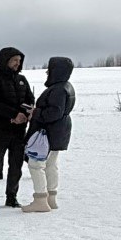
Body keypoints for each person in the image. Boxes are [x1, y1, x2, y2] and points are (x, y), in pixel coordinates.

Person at [0, 47, 35, 207]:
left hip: (19, 131)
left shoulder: (22, 80)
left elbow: (30, 99)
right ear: (5, 60)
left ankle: (12, 196)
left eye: (19, 61)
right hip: (0, 129)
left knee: (16, 165)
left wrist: (26, 113)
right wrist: (12, 115)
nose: (17, 64)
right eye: (14, 61)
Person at [22, 57, 76, 214]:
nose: (47, 72)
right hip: (59, 132)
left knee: (36, 165)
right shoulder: (67, 86)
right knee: (51, 164)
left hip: (48, 134)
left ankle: (40, 199)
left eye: (50, 69)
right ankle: (51, 198)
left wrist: (35, 112)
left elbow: (54, 112)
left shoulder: (58, 89)